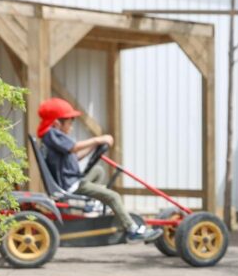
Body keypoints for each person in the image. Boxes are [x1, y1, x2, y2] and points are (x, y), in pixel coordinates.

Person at [37, 98, 161, 243]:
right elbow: (74, 148)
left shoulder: (54, 138)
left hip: (71, 179)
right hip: (70, 184)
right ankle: (132, 230)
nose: (71, 126)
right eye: (70, 121)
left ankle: (91, 204)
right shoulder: (53, 134)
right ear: (57, 122)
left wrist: (93, 148)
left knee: (98, 170)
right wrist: (98, 140)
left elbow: (74, 156)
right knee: (113, 196)